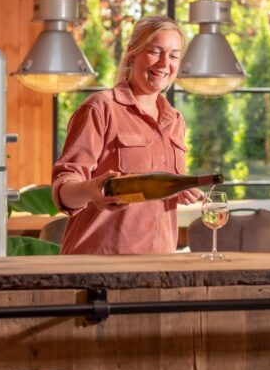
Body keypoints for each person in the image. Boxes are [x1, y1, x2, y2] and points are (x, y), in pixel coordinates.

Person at [52, 15, 201, 255]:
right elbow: (63, 192)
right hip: (98, 263)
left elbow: (152, 192)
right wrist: (90, 190)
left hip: (158, 265)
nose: (164, 63)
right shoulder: (100, 108)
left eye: (173, 55)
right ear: (133, 53)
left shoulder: (175, 120)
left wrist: (178, 189)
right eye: (155, 51)